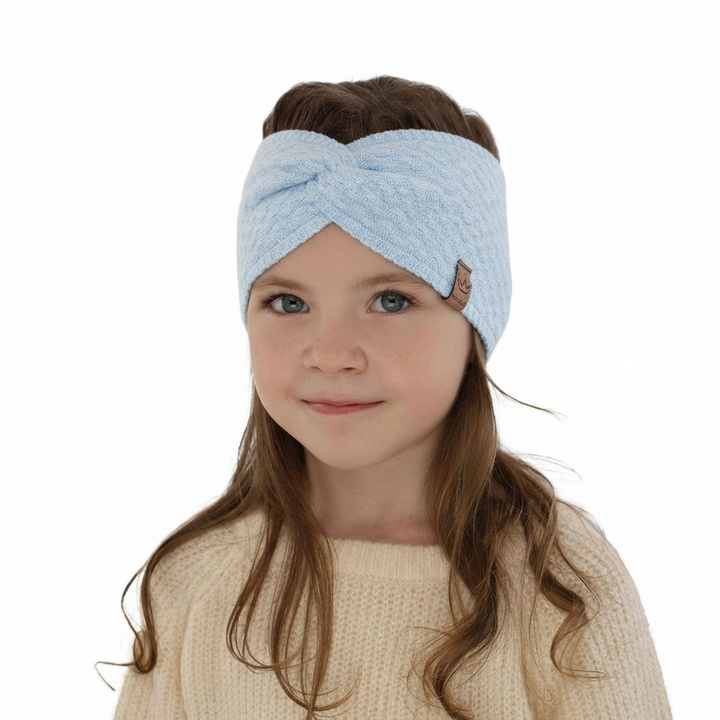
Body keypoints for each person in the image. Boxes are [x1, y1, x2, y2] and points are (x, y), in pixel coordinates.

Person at [100, 75, 673, 719]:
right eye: (287, 302)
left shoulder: (559, 582)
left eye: (391, 300)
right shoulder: (196, 583)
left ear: (475, 322)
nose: (331, 353)